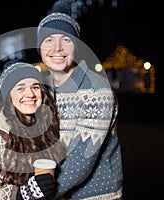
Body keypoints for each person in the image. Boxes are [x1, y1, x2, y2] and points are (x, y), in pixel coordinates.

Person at [36, 2, 123, 200]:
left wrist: (36, 195)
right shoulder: (43, 89)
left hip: (94, 195)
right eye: (49, 40)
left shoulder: (96, 90)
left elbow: (80, 163)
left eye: (66, 39)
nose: (57, 48)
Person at [0, 61, 67, 199]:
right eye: (20, 88)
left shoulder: (47, 129)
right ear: (9, 96)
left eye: (35, 87)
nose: (30, 94)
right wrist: (19, 195)